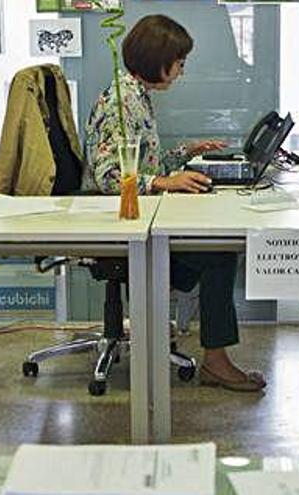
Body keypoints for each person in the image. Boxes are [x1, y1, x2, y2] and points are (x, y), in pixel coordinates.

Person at [84, 15, 265, 392]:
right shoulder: (121, 102)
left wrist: (186, 153)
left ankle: (212, 354)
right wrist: (166, 181)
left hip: (146, 220)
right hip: (127, 231)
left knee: (218, 249)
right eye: (179, 63)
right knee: (219, 253)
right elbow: (109, 178)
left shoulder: (136, 96)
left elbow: (141, 164)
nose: (182, 71)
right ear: (157, 60)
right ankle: (216, 362)